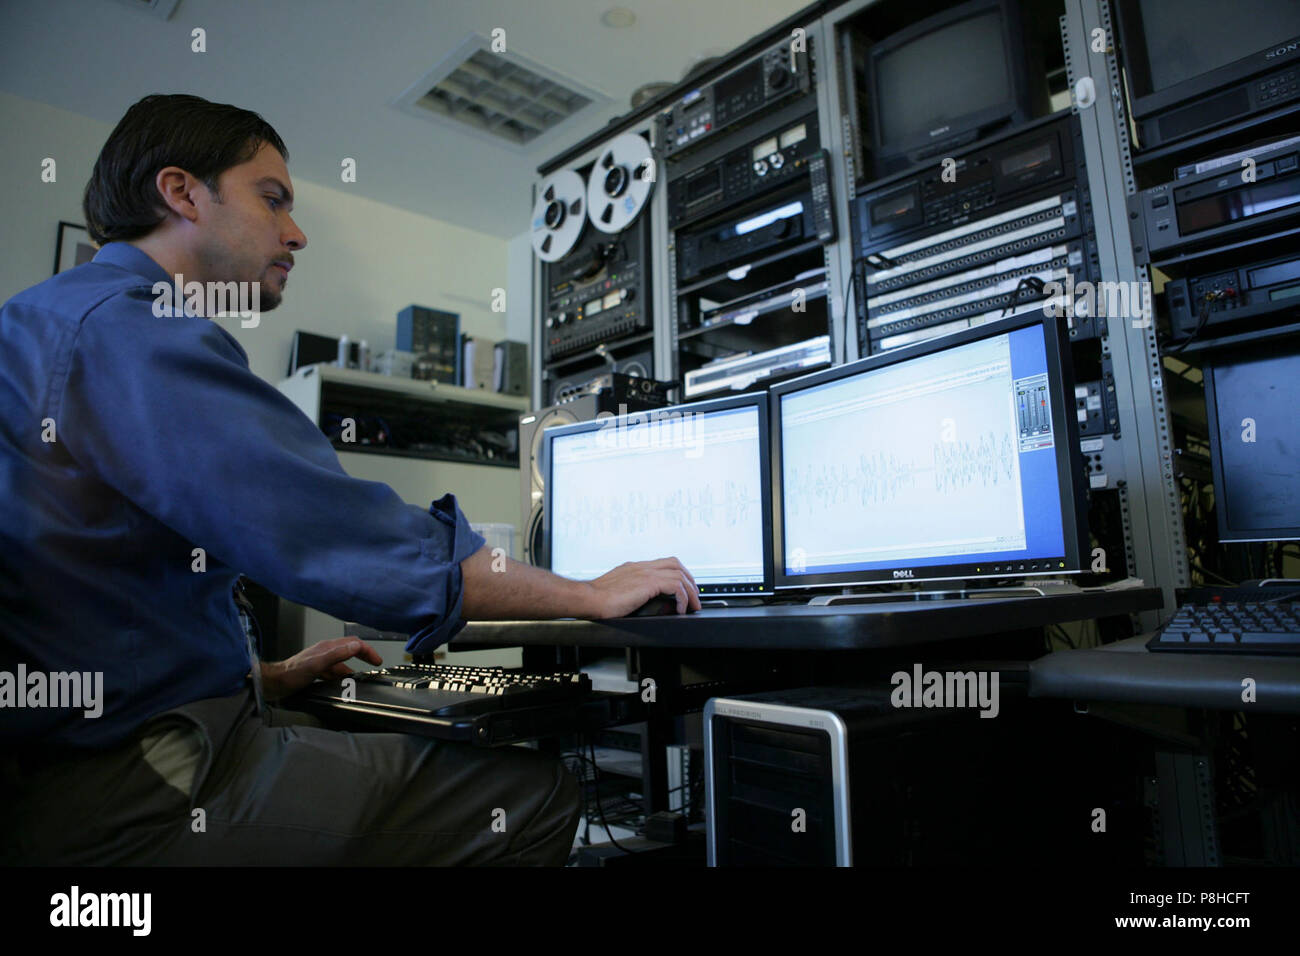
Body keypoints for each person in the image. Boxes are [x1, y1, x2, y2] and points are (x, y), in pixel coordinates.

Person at [0, 93, 700, 866]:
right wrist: (588, 592)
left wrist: (264, 675)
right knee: (532, 795)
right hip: (128, 801)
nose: (295, 233)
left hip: (77, 766)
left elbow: (82, 613)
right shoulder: (131, 332)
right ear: (181, 193)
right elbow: (339, 536)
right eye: (272, 200)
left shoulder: (46, 322)